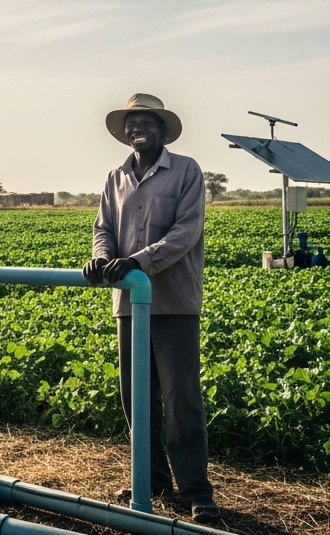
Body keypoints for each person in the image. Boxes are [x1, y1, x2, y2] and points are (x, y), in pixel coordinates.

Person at [83, 93, 220, 524]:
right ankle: (152, 480)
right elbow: (103, 226)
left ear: (162, 130)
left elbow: (186, 231)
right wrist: (103, 258)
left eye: (145, 121)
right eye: (131, 122)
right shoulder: (115, 177)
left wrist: (138, 261)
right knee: (136, 396)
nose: (136, 127)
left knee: (182, 398)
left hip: (174, 302)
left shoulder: (186, 171)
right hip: (129, 304)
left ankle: (196, 490)